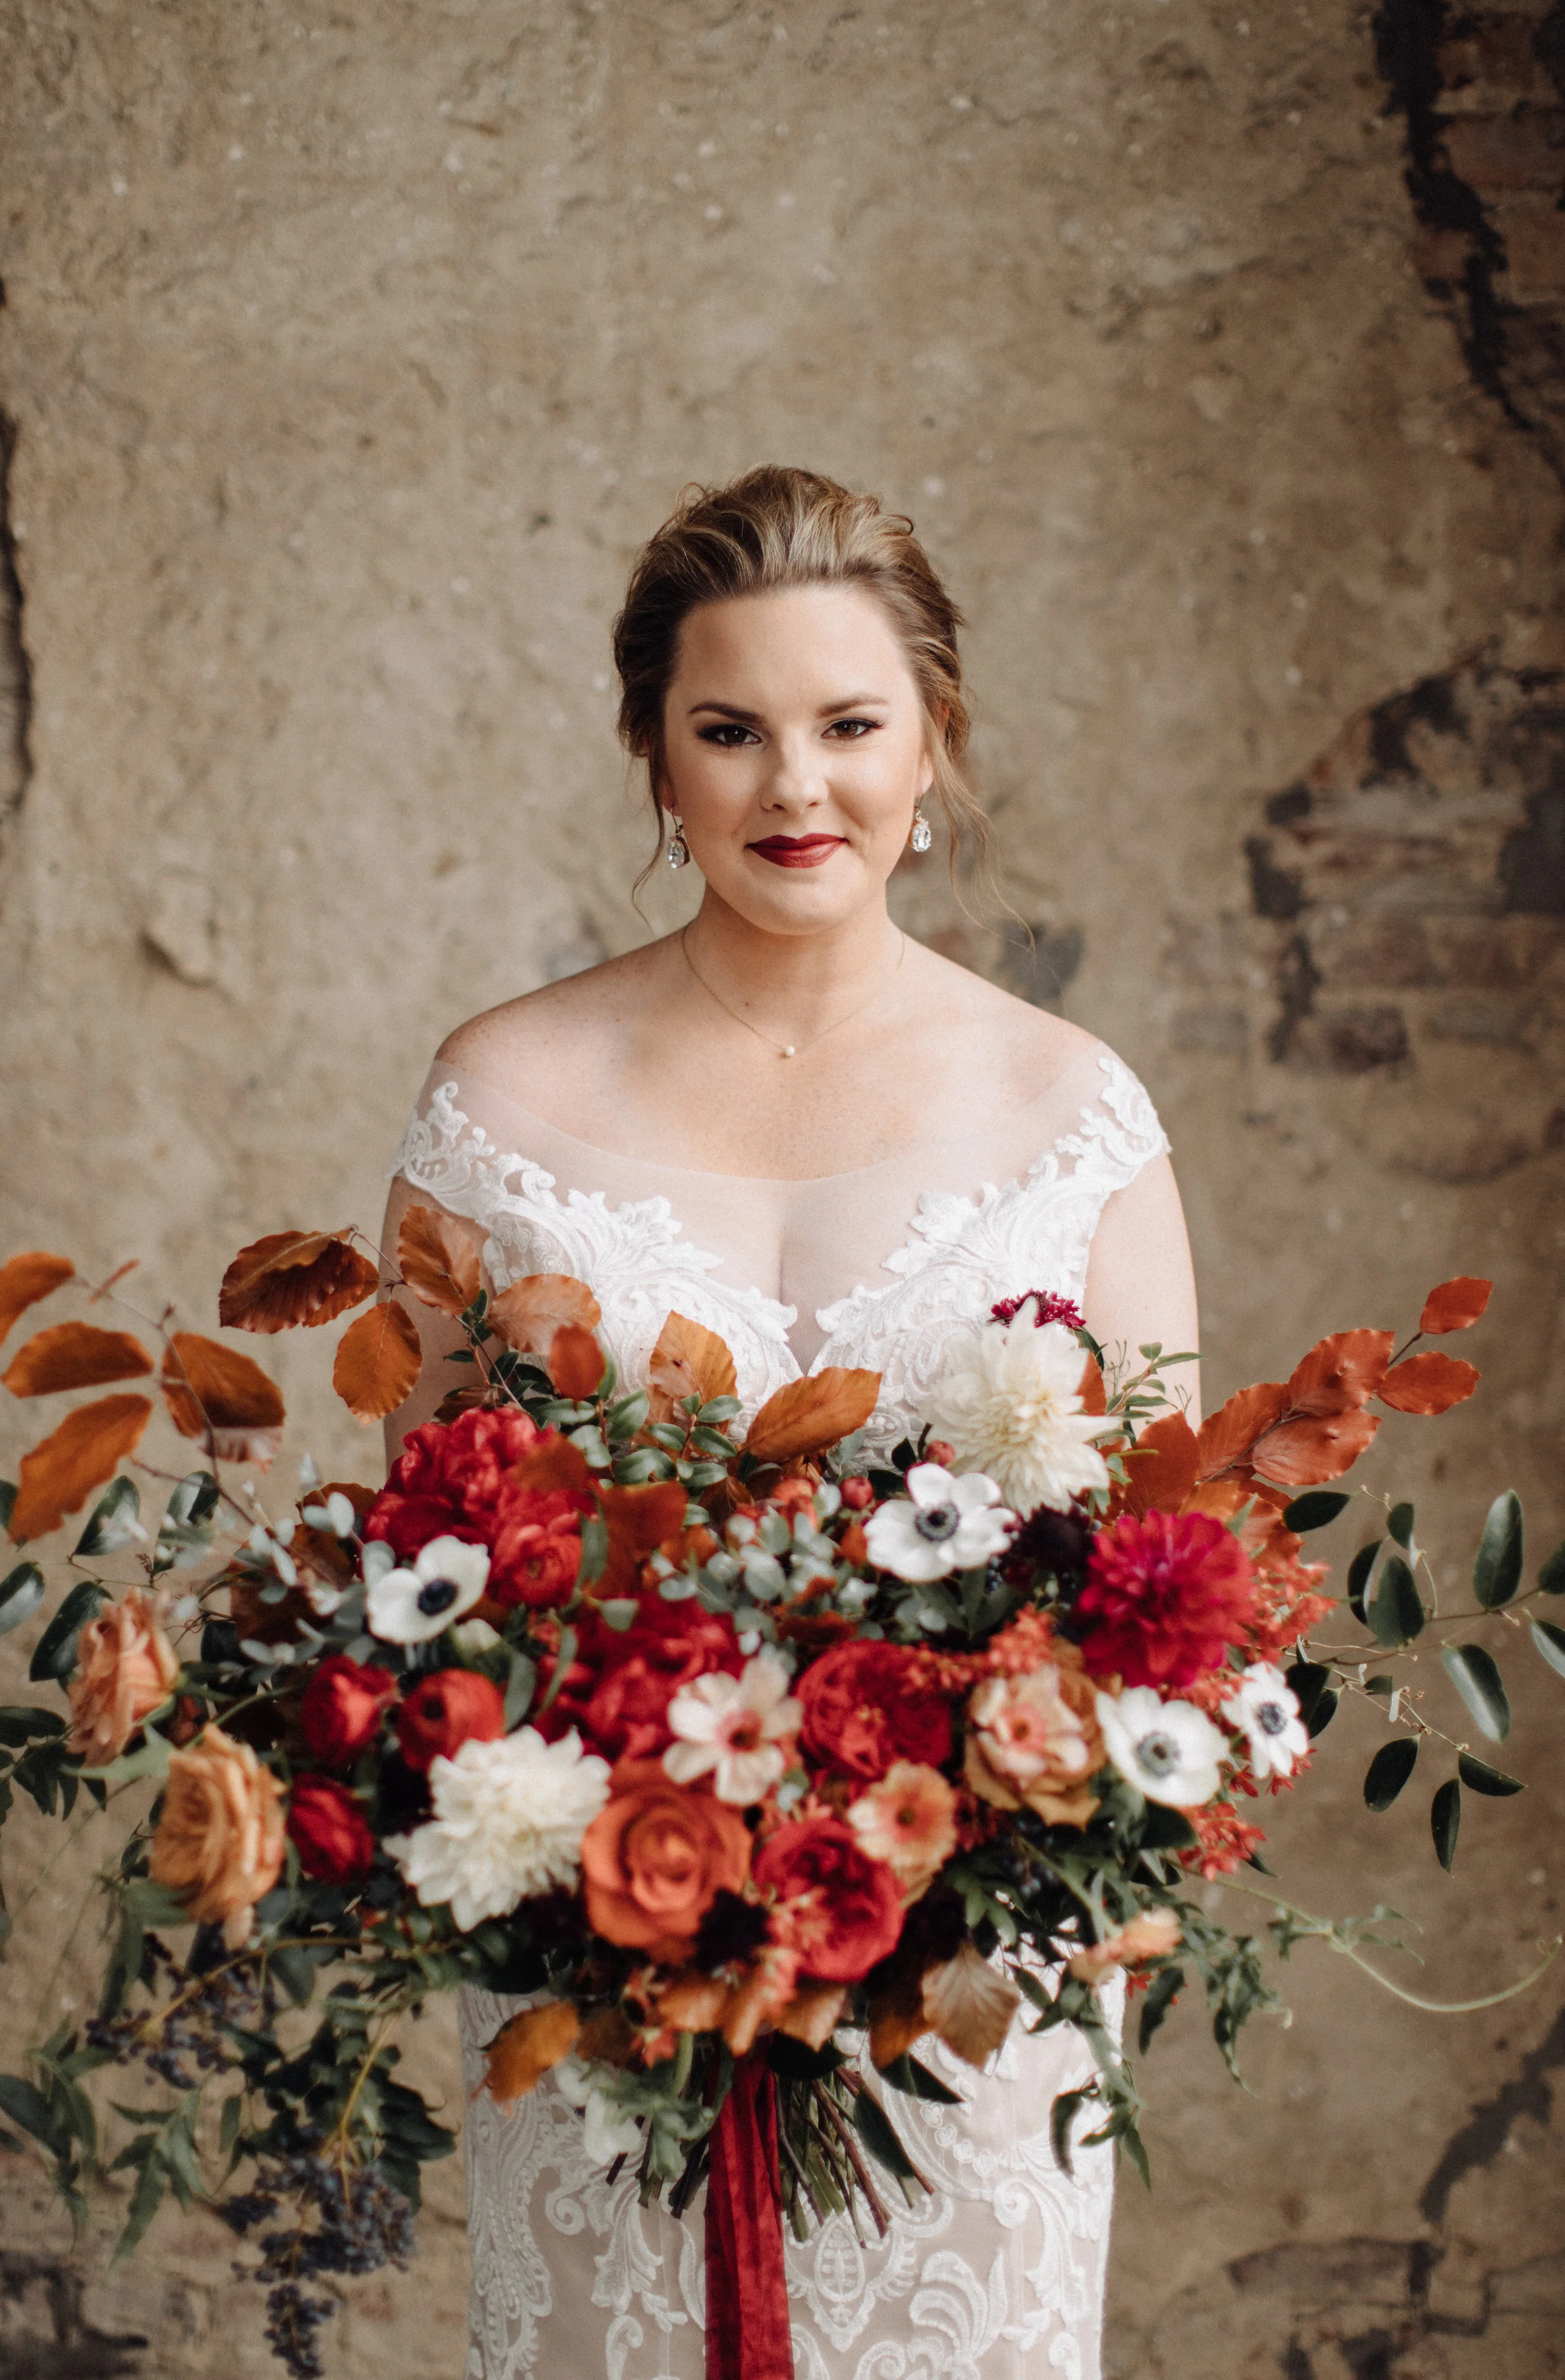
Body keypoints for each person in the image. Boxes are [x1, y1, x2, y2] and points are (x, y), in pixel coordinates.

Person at [381, 466, 1198, 2380]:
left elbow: (1176, 1576)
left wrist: (992, 1870)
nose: (791, 787)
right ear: (656, 762)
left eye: (848, 726)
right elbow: (420, 1554)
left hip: (968, 2003)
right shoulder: (493, 1097)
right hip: (611, 1979)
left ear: (934, 746)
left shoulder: (1072, 1112)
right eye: (728, 731)